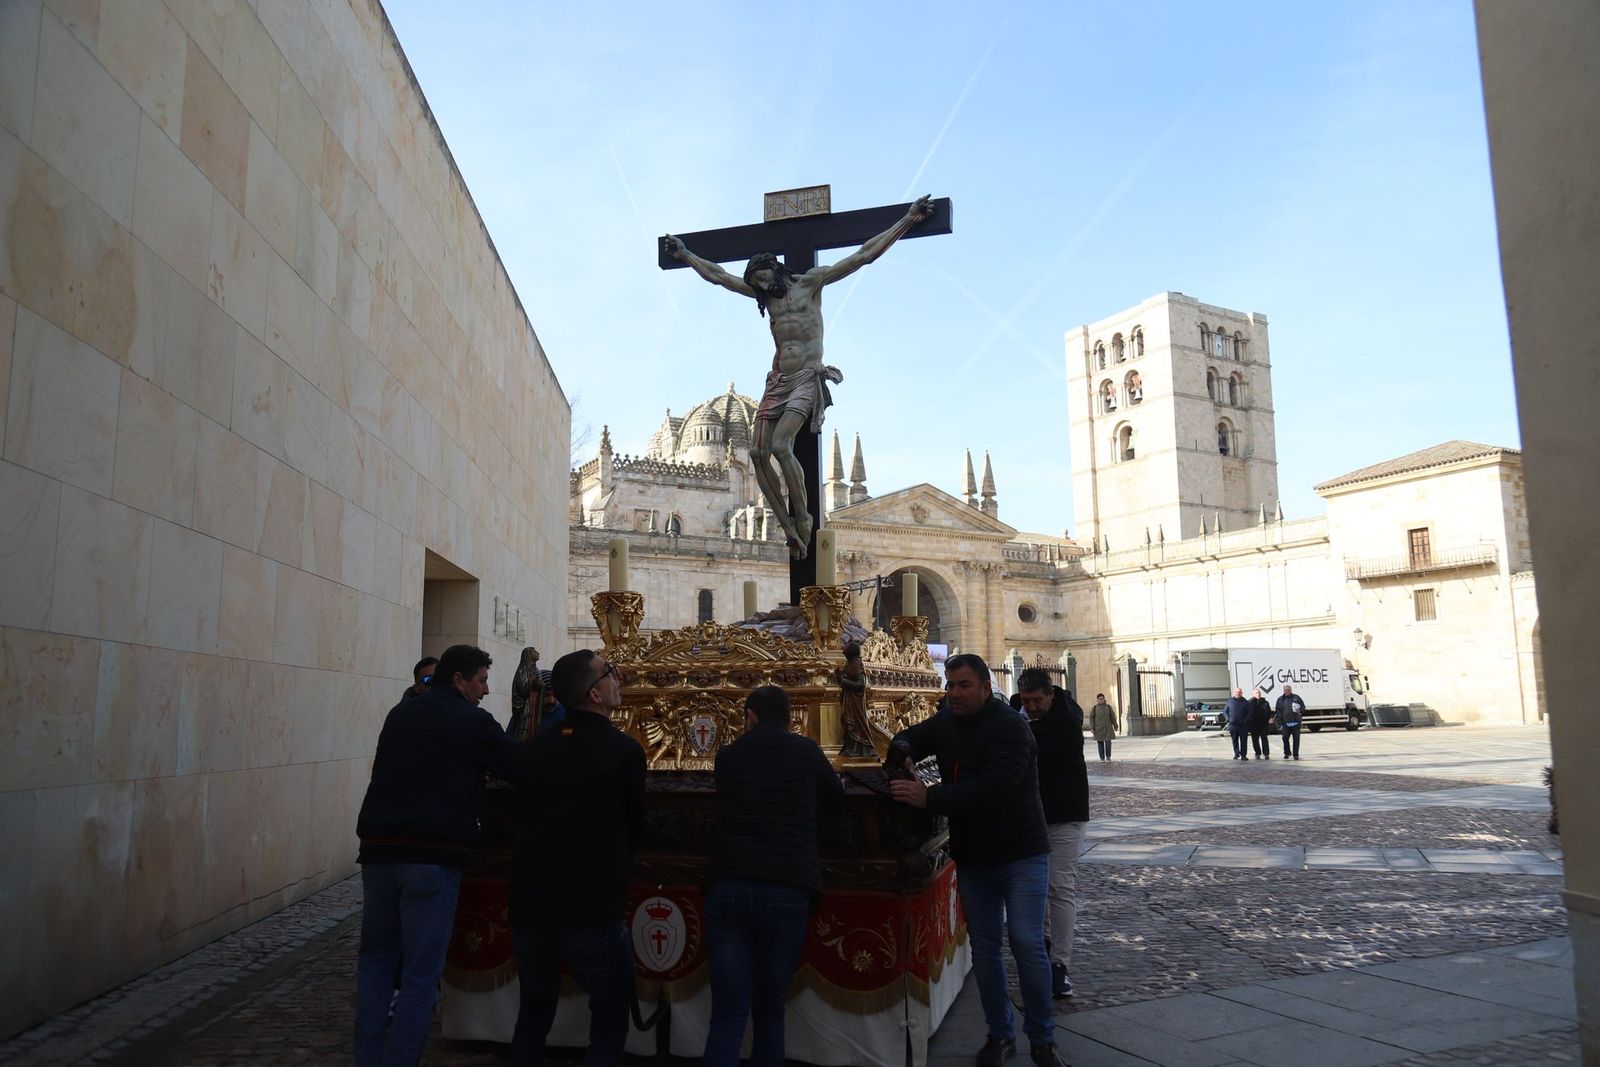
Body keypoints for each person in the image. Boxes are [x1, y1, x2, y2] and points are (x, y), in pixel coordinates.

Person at [663, 195, 935, 558]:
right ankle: (788, 524)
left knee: (779, 446)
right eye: (757, 283)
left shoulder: (811, 283)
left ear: (776, 270)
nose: (762, 286)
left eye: (765, 278)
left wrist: (908, 220)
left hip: (807, 376)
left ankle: (803, 517)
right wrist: (685, 255)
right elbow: (718, 276)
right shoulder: (766, 297)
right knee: (758, 453)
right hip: (777, 380)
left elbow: (862, 255)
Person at [886, 654, 1064, 1067]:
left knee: (1025, 941)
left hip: (1022, 852)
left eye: (963, 685)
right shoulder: (947, 721)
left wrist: (928, 796)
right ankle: (999, 1034)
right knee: (984, 948)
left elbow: (992, 791)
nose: (954, 693)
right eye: (950, 685)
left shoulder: (1011, 729)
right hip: (975, 856)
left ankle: (1042, 1037)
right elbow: (910, 735)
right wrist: (903, 752)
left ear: (986, 687)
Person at [354, 644, 513, 1067]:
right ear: (459, 680)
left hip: (379, 851)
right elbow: (516, 765)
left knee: (375, 961)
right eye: (480, 680)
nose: (485, 689)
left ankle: (367, 1058)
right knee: (421, 975)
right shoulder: (472, 721)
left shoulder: (400, 714)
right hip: (431, 854)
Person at [508, 650, 645, 1066]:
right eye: (610, 673)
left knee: (532, 1014)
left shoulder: (533, 749)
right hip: (591, 907)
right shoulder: (623, 751)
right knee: (608, 1017)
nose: (618, 678)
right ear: (595, 694)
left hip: (531, 903)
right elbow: (632, 825)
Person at [704, 686, 845, 1067]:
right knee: (770, 1011)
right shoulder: (806, 751)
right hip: (786, 884)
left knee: (728, 1013)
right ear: (790, 718)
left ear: (750, 717)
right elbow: (836, 797)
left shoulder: (728, 756)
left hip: (730, 883)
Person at [1016, 669, 1088, 1001]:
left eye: (1037, 701)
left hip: (1064, 814)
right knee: (1036, 887)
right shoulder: (1016, 710)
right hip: (1029, 814)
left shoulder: (1067, 719)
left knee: (1060, 886)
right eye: (1027, 701)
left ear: (1052, 694)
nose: (1031, 707)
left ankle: (1060, 963)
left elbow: (1034, 749)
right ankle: (1042, 948)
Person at [837, 640, 876, 758]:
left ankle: (864, 748)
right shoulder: (848, 664)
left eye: (846, 647)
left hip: (856, 701)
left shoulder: (857, 664)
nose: (843, 648)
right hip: (849, 699)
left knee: (859, 724)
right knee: (850, 726)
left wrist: (843, 680)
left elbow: (860, 684)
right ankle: (851, 748)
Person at [1275, 684, 1307, 760]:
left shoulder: (1296, 697)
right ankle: (1287, 752)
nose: (1287, 691)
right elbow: (1278, 710)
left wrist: (1301, 711)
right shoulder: (1280, 699)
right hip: (1286, 723)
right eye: (1286, 690)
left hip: (1296, 722)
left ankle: (1296, 755)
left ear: (1291, 690)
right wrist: (1280, 719)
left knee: (1296, 739)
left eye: (1288, 690)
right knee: (1285, 738)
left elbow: (1303, 706)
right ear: (1284, 691)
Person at [1224, 687, 1253, 760]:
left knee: (1244, 741)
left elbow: (1249, 713)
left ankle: (1243, 755)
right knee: (1234, 740)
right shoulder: (1229, 701)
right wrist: (1228, 719)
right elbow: (1225, 711)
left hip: (1243, 725)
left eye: (1239, 692)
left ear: (1242, 693)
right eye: (1237, 692)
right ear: (1234, 693)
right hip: (1233, 724)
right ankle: (1236, 754)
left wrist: (1245, 720)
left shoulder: (1245, 702)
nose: (1238, 693)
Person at [1089, 693, 1118, 761]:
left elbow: (1112, 717)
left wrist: (1115, 726)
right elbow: (1091, 718)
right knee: (1100, 743)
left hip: (1108, 728)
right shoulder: (1095, 708)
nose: (1101, 700)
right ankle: (1102, 758)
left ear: (1104, 699)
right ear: (1097, 700)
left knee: (1108, 743)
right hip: (1098, 729)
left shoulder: (1108, 707)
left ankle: (1108, 757)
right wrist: (1092, 728)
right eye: (1099, 699)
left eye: (1102, 698)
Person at [1249, 688, 1274, 759]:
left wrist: (1270, 718)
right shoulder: (1250, 702)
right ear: (1253, 694)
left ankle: (1266, 754)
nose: (1258, 694)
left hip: (1263, 724)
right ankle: (1257, 753)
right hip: (1254, 724)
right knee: (1255, 740)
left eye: (1259, 693)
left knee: (1264, 739)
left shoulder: (1265, 702)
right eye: (1256, 693)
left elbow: (1269, 712)